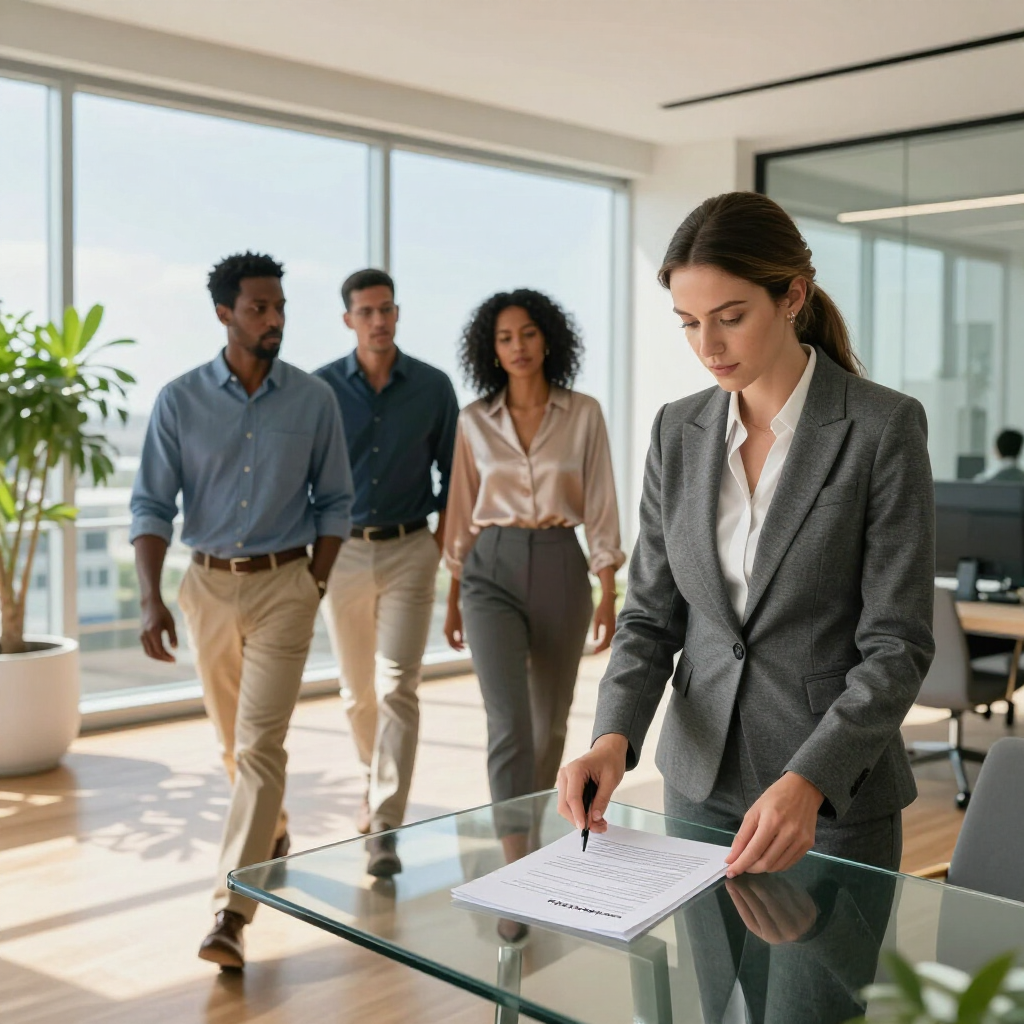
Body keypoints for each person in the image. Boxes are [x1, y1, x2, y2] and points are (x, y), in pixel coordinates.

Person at [557, 192, 936, 875]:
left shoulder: (882, 428)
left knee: (812, 988)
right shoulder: (678, 431)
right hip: (697, 783)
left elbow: (897, 645)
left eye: (731, 317)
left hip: (827, 797)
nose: (709, 346)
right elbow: (649, 616)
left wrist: (810, 779)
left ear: (793, 296)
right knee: (711, 988)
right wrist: (612, 737)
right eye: (690, 322)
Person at [130, 252, 353, 969]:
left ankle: (230, 911)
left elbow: (336, 502)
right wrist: (149, 598)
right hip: (207, 589)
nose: (274, 319)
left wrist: (311, 585)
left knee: (260, 747)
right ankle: (273, 830)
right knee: (233, 746)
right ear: (225, 313)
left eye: (279, 306)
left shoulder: (313, 399)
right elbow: (151, 505)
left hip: (285, 586)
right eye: (258, 308)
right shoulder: (179, 400)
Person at [444, 289, 625, 850]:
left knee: (549, 722)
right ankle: (513, 853)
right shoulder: (474, 421)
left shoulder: (584, 413)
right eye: (504, 338)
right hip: (488, 569)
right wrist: (452, 595)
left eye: (527, 333)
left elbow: (600, 502)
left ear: (548, 339)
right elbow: (459, 510)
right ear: (490, 351)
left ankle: (538, 827)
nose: (517, 346)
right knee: (509, 722)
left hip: (559, 562)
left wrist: (607, 591)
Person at [314, 268, 459, 878]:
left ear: (397, 314)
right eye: (366, 311)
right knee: (357, 692)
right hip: (341, 553)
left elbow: (455, 479)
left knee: (399, 684)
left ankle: (385, 822)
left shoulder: (432, 386)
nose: (378, 320)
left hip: (408, 551)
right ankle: (375, 783)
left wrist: (440, 548)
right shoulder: (319, 389)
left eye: (387, 309)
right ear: (348, 320)